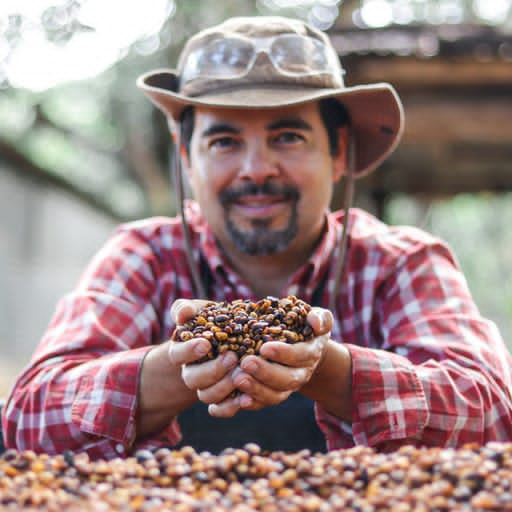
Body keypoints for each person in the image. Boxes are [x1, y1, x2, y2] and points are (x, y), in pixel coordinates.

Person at [2, 15, 512, 460]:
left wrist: (329, 369)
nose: (256, 169)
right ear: (187, 159)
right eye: (224, 141)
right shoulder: (146, 255)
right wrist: (176, 367)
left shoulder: (403, 263)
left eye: (288, 137)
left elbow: (492, 415)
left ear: (338, 154)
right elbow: (27, 417)